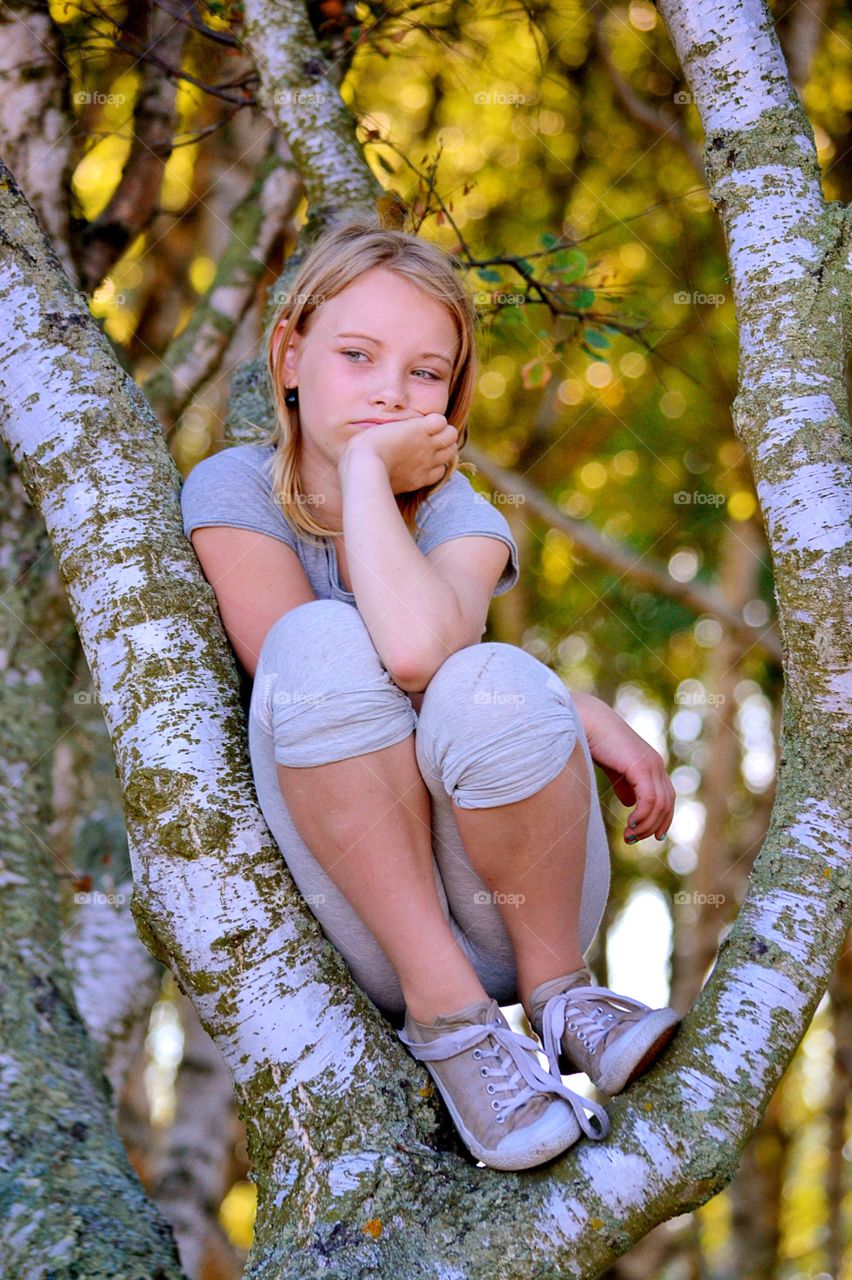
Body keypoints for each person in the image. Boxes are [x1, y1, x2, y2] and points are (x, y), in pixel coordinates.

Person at [179, 218, 682, 1173]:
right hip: (368, 907)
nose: (387, 391)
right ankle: (454, 1026)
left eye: (425, 372)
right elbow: (348, 668)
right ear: (289, 353)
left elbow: (429, 663)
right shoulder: (235, 491)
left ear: (452, 396)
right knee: (319, 641)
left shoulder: (462, 515)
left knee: (495, 677)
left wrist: (556, 704)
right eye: (357, 354)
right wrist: (370, 469)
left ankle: (563, 999)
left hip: (512, 897)